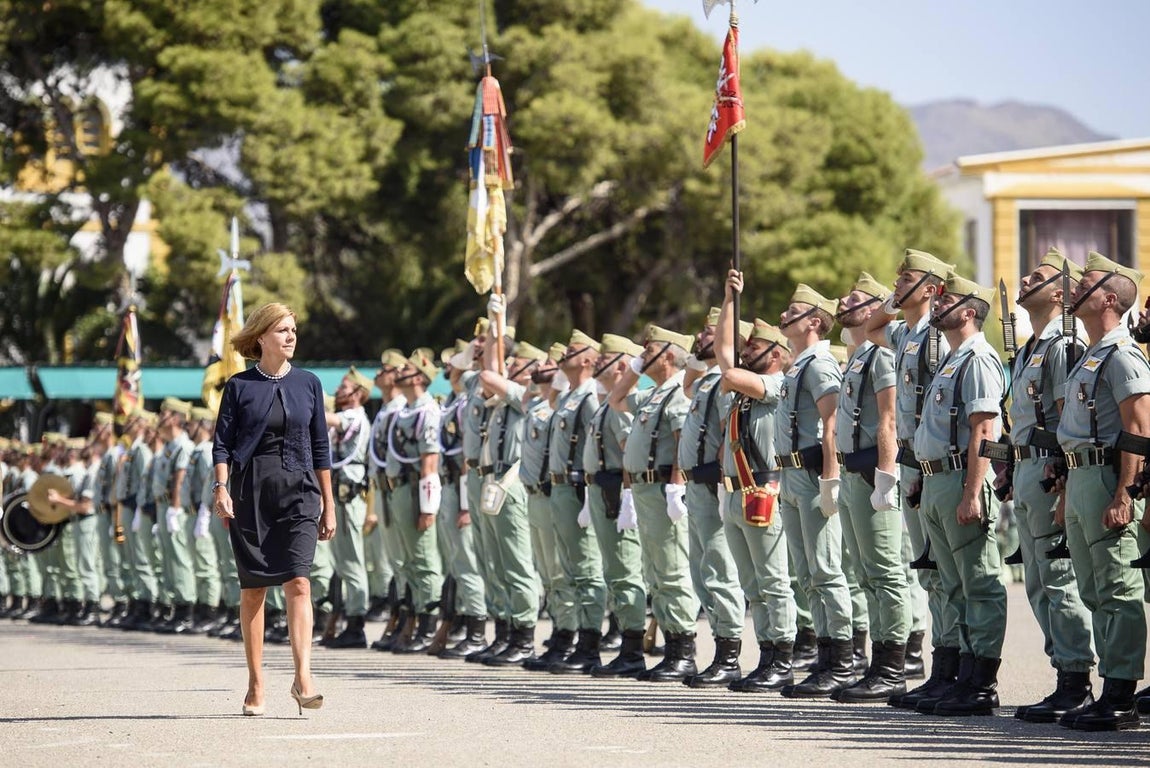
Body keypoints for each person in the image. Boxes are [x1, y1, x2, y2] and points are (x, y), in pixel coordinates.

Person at [212, 302, 335, 717]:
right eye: (282, 330)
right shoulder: (239, 386)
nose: (290, 337)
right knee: (254, 589)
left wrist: (329, 504)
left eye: (293, 330)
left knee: (299, 581)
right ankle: (256, 682)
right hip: (251, 495)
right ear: (261, 336)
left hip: (300, 492)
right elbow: (222, 445)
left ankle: (303, 678)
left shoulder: (309, 383)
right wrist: (222, 488)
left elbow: (321, 447)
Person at [1057, 252, 1150, 731]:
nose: (1074, 290)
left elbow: (1139, 427)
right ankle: (1109, 683)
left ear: (1110, 299)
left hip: (1107, 478)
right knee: (1094, 589)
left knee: (1117, 586)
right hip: (1081, 477)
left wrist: (1126, 494)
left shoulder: (1122, 354)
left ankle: (1120, 694)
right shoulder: (1091, 355)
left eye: (1085, 284)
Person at [1005, 249, 1096, 724]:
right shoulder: (1030, 348)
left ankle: (1076, 680)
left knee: (1059, 579)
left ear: (1060, 293)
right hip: (1025, 469)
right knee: (1039, 582)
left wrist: (1062, 483)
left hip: (1047, 471)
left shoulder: (1063, 346)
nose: (1024, 280)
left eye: (1036, 277)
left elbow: (1066, 419)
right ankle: (1063, 669)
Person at [912, 272, 1008, 717]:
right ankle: (961, 677)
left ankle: (981, 684)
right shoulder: (952, 359)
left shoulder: (978, 359)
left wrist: (972, 492)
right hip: (938, 479)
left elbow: (983, 431)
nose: (937, 303)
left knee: (978, 584)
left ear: (969, 311)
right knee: (953, 586)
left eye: (946, 299)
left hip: (960, 479)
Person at [865, 249, 957, 706]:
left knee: (943, 570)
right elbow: (871, 328)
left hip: (931, 460)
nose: (897, 284)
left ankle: (953, 668)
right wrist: (895, 296)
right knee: (928, 570)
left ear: (932, 289)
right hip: (911, 460)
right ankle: (943, 668)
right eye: (898, 278)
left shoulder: (939, 337)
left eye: (907, 279)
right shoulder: (905, 333)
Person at [714, 273, 800, 693]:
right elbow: (724, 355)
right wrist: (729, 300)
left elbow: (727, 366)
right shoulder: (746, 391)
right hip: (736, 494)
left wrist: (733, 306)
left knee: (773, 581)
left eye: (754, 346)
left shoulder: (777, 385)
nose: (745, 351)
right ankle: (766, 654)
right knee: (752, 584)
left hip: (763, 492)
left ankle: (782, 657)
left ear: (777, 355)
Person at [831, 273, 911, 703]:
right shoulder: (859, 354)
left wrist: (886, 474)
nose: (844, 303)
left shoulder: (881, 355)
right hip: (851, 472)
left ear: (875, 308)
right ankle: (878, 663)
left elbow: (888, 418)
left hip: (869, 473)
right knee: (865, 573)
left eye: (855, 299)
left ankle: (892, 668)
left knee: (885, 571)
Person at [773, 284, 854, 699]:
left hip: (810, 474)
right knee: (806, 574)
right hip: (790, 474)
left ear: (815, 322)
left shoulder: (820, 364)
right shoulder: (798, 366)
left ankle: (841, 660)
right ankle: (825, 656)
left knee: (825, 569)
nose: (784, 316)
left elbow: (832, 422)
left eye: (794, 311)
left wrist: (830, 479)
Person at [609, 324, 700, 682]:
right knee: (656, 572)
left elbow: (681, 441)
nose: (642, 355)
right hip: (645, 490)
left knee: (672, 570)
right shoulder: (653, 394)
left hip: (663, 488)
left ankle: (683, 651)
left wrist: (676, 486)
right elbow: (616, 399)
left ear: (668, 355)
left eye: (648, 351)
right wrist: (634, 368)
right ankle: (671, 646)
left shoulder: (677, 392)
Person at [680, 308, 746, 689]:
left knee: (720, 569)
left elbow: (727, 431)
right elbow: (687, 384)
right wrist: (696, 354)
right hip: (695, 484)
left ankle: (730, 654)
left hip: (712, 482)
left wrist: (723, 481)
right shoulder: (705, 381)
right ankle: (721, 647)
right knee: (702, 571)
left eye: (710, 332)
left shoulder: (725, 380)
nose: (701, 337)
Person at [382, 348, 446, 654]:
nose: (399, 372)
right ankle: (413, 619)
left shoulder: (426, 411)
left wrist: (427, 508)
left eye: (406, 369)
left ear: (420, 377)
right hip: (398, 489)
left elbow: (429, 463)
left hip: (414, 490)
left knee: (423, 560)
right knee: (407, 562)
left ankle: (427, 624)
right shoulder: (404, 411)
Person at [323, 367, 373, 649]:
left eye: (344, 387)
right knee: (342, 561)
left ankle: (356, 624)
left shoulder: (355, 417)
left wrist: (309, 399)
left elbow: (330, 419)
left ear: (358, 393)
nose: (338, 391)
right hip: (340, 494)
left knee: (352, 561)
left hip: (350, 496)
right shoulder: (345, 417)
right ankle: (347, 619)